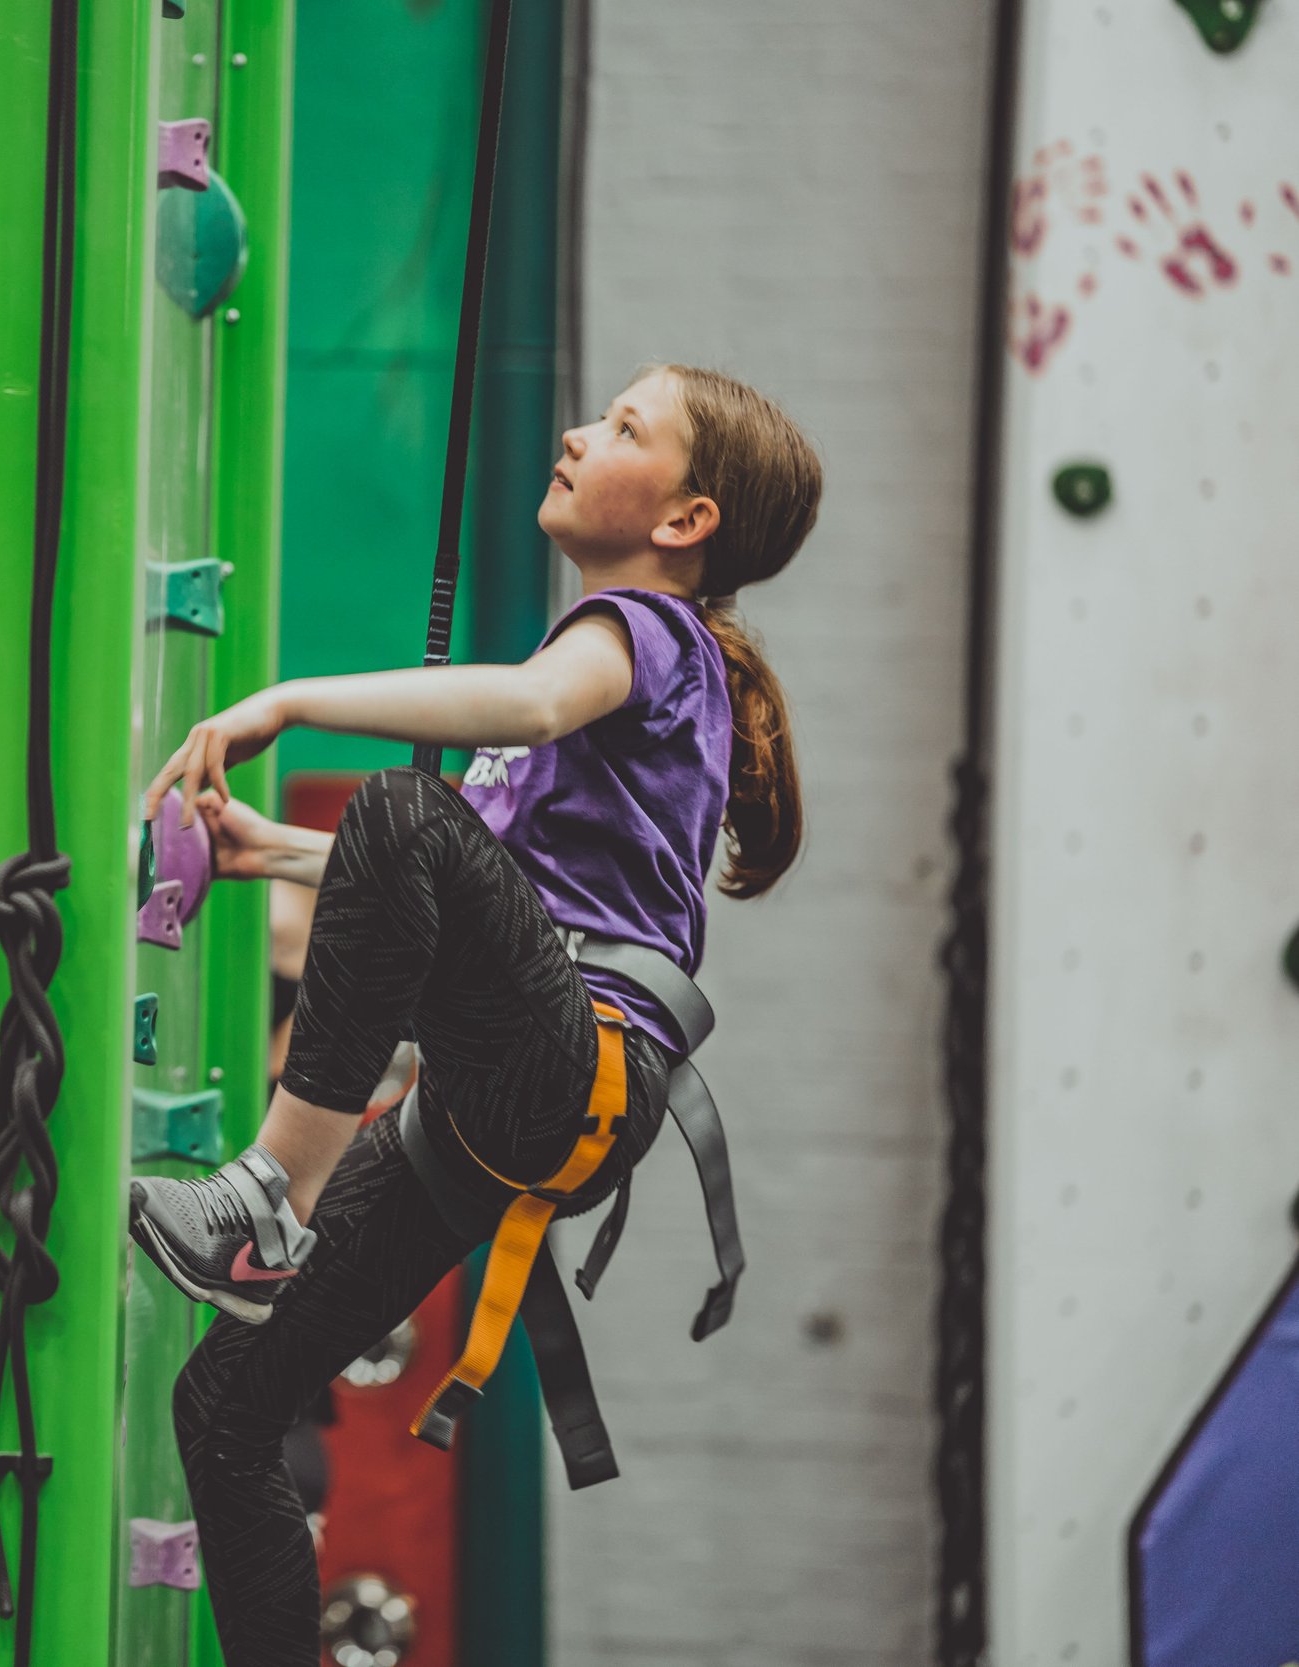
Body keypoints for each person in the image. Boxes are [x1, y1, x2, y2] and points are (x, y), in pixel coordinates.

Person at [129, 365, 821, 1662]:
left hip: (577, 1062)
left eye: (624, 428)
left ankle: (267, 1198)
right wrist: (267, 848)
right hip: (487, 1104)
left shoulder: (647, 639)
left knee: (402, 806)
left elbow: (526, 705)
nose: (575, 431)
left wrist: (283, 701)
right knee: (226, 1405)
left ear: (686, 521)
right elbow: (449, 897)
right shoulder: (599, 689)